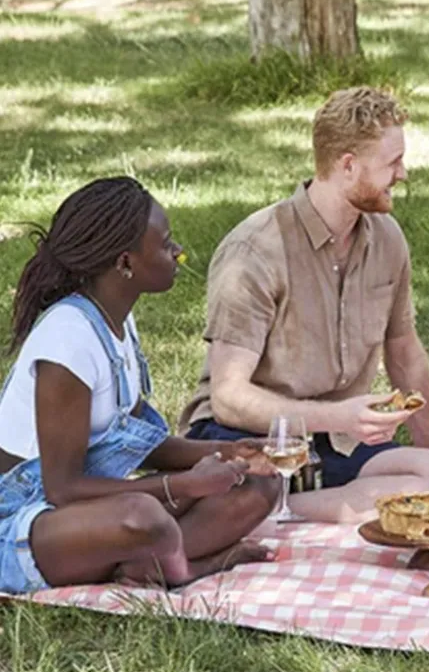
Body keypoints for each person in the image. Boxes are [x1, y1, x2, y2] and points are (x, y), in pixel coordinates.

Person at [178, 87, 429, 523]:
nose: (404, 173)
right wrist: (339, 415)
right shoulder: (255, 250)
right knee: (402, 502)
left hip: (337, 441)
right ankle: (264, 504)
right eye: (392, 162)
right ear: (348, 166)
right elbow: (229, 398)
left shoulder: (388, 239)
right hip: (253, 440)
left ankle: (282, 511)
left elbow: (404, 351)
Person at [0, 177, 279, 595]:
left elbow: (132, 442)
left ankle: (141, 561)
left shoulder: (118, 322)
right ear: (125, 263)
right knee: (142, 515)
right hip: (24, 522)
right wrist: (183, 485)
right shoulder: (67, 340)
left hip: (89, 511)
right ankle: (180, 567)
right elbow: (62, 488)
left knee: (260, 483)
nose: (178, 251)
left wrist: (227, 453)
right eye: (166, 243)